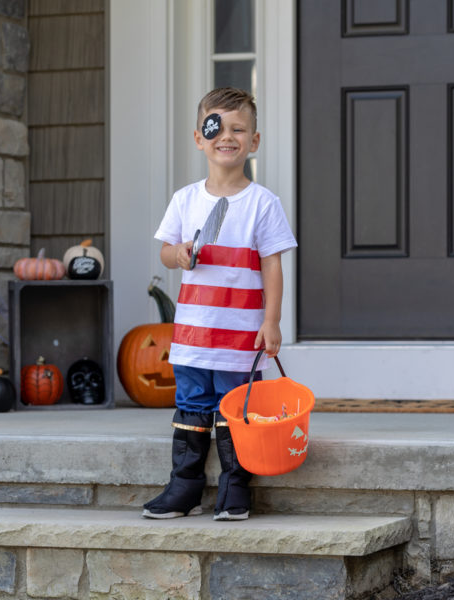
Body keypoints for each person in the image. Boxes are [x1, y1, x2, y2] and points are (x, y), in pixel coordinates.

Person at [142, 87, 297, 521]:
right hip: (193, 333)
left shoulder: (263, 204)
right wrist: (180, 255)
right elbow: (166, 253)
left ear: (254, 141)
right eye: (216, 128)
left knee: (237, 410)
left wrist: (272, 321)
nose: (226, 136)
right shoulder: (185, 200)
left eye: (238, 129)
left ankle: (234, 487)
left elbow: (272, 267)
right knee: (192, 406)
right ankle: (185, 487)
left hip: (241, 335)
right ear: (198, 138)